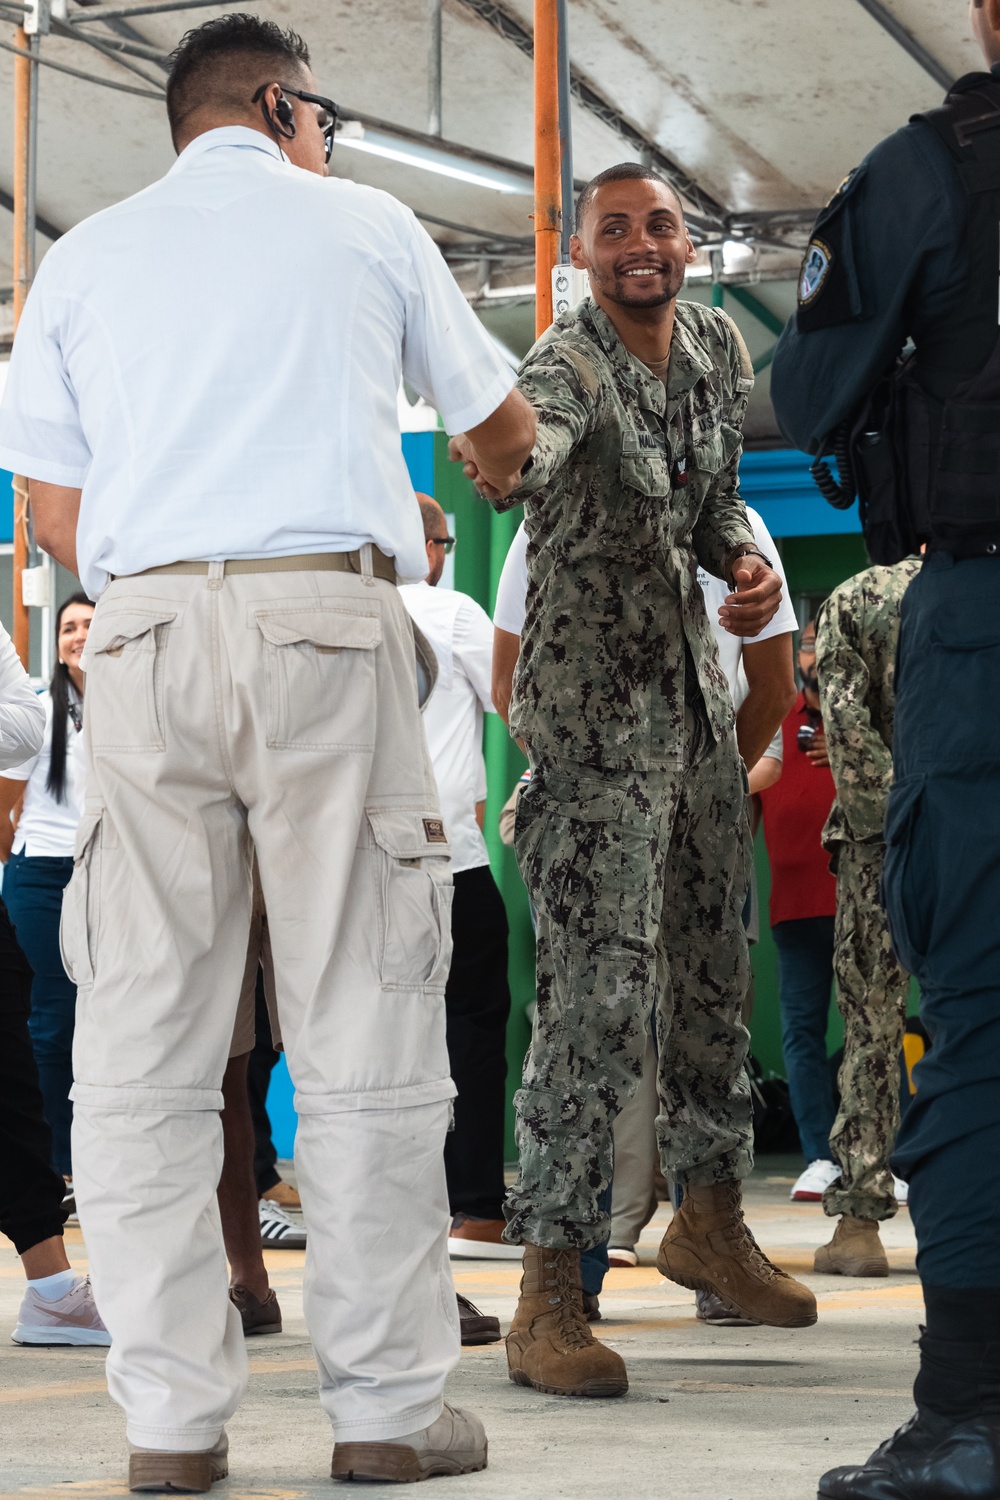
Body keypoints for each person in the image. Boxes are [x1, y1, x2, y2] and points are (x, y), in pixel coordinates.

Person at [0, 14, 535, 1492]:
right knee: (365, 1024)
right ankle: (384, 1412)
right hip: (327, 621)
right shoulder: (363, 225)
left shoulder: (82, 261)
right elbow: (504, 436)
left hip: (149, 642)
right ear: (284, 103)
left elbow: (53, 512)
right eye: (326, 117)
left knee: (143, 1045)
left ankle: (171, 1426)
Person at [452, 160, 815, 1404]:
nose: (639, 247)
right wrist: (501, 453)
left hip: (694, 722)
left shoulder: (716, 349)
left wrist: (746, 573)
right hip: (597, 739)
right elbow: (525, 453)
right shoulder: (563, 362)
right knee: (594, 1011)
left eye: (658, 226)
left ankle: (710, 1226)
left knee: (718, 978)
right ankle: (551, 1296)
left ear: (689, 244)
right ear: (585, 255)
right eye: (614, 232)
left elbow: (712, 507)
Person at [772, 3, 1000, 1491]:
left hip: (988, 612)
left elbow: (809, 395)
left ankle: (971, 1414)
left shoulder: (940, 167)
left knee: (979, 1013)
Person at [490, 505, 797, 1309]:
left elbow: (772, 684)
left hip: (705, 813)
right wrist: (596, 784)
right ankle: (564, 1280)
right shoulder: (549, 520)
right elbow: (507, 681)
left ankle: (712, 1241)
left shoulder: (738, 532)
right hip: (594, 812)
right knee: (590, 1029)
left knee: (712, 1022)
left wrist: (705, 783)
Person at [400, 496, 514, 1271]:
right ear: (432, 547)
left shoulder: (335, 609)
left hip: (351, 860)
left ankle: (396, 1212)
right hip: (449, 852)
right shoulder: (451, 611)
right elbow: (518, 697)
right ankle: (474, 1208)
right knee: (471, 1029)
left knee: (378, 1040)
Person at [810, 559, 921, 1280]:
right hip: (982, 833)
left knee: (875, 1023)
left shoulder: (857, 597)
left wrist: (903, 816)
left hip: (883, 843)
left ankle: (860, 1219)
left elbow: (846, 731)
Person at [0, 613, 107, 1348]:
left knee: (14, 1076)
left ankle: (51, 1286)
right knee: (38, 1038)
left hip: (100, 865)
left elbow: (20, 728)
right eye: (66, 627)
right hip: (41, 870)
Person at [0, 593, 94, 1188]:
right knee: (50, 1025)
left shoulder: (134, 704)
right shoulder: (38, 708)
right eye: (68, 628)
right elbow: (6, 812)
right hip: (41, 877)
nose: (79, 635)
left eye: (89, 623)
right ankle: (55, 1166)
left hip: (109, 875)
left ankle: (97, 1161)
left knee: (103, 1025)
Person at [758, 622, 840, 1203]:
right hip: (793, 908)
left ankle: (888, 1158)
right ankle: (820, 1157)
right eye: (807, 644)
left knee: (873, 1032)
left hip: (863, 902)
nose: (813, 656)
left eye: (821, 644)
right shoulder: (772, 722)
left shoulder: (867, 723)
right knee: (803, 1035)